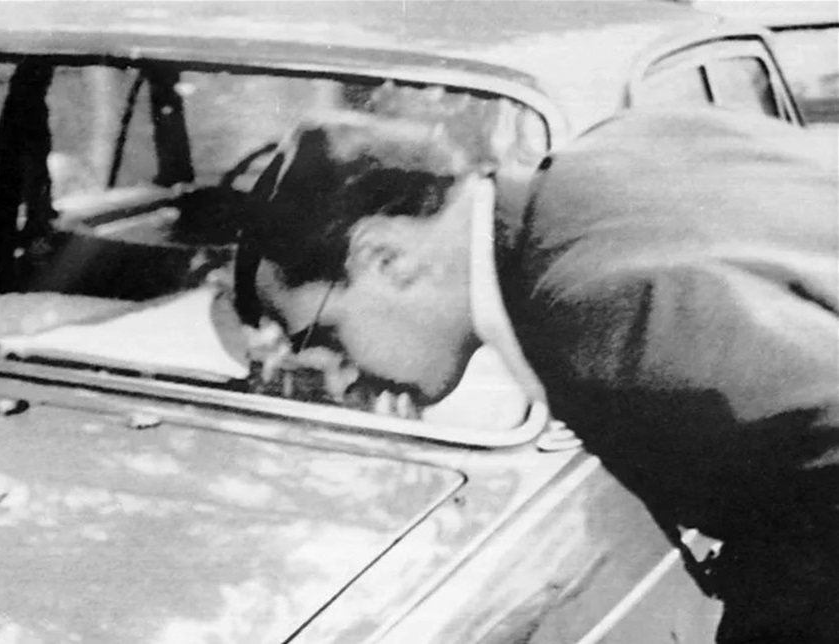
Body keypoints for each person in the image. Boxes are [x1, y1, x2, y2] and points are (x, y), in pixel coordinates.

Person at [236, 108, 838, 643]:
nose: (343, 380)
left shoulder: (596, 330)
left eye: (327, 337)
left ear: (385, 259)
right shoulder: (624, 140)